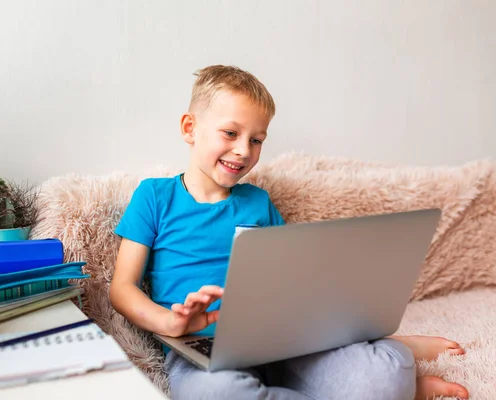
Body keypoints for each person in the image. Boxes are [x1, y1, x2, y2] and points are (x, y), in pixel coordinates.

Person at [110, 65, 469, 400]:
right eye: (231, 133)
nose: (243, 150)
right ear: (190, 128)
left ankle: (393, 376)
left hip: (283, 343)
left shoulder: (258, 203)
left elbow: (295, 281)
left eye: (257, 140)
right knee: (218, 395)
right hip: (201, 350)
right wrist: (169, 322)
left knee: (380, 375)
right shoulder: (154, 197)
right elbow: (122, 288)